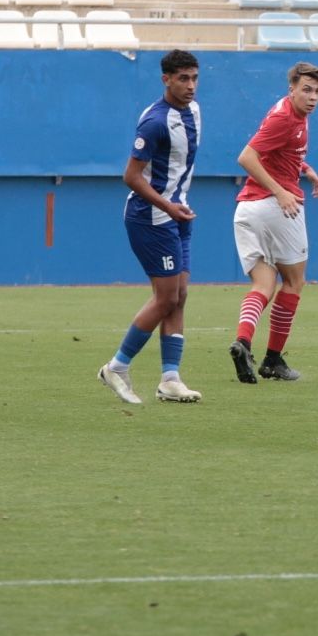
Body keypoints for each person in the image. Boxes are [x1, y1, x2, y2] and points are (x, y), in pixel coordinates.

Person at [98, 49, 204, 404]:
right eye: (183, 79)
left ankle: (170, 379)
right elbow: (130, 176)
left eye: (194, 78)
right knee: (166, 298)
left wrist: (178, 205)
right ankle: (117, 366)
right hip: (151, 217)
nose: (190, 86)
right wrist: (167, 206)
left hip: (177, 214)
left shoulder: (195, 111)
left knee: (180, 296)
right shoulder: (155, 122)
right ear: (166, 79)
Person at [228, 62, 318, 384]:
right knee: (295, 282)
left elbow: (278, 151)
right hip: (275, 207)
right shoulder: (285, 117)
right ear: (292, 90)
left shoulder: (291, 115)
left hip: (246, 210)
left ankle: (243, 342)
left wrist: (303, 167)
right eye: (306, 90)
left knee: (263, 285)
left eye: (317, 91)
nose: (312, 97)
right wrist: (281, 191)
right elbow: (246, 157)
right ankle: (272, 360)